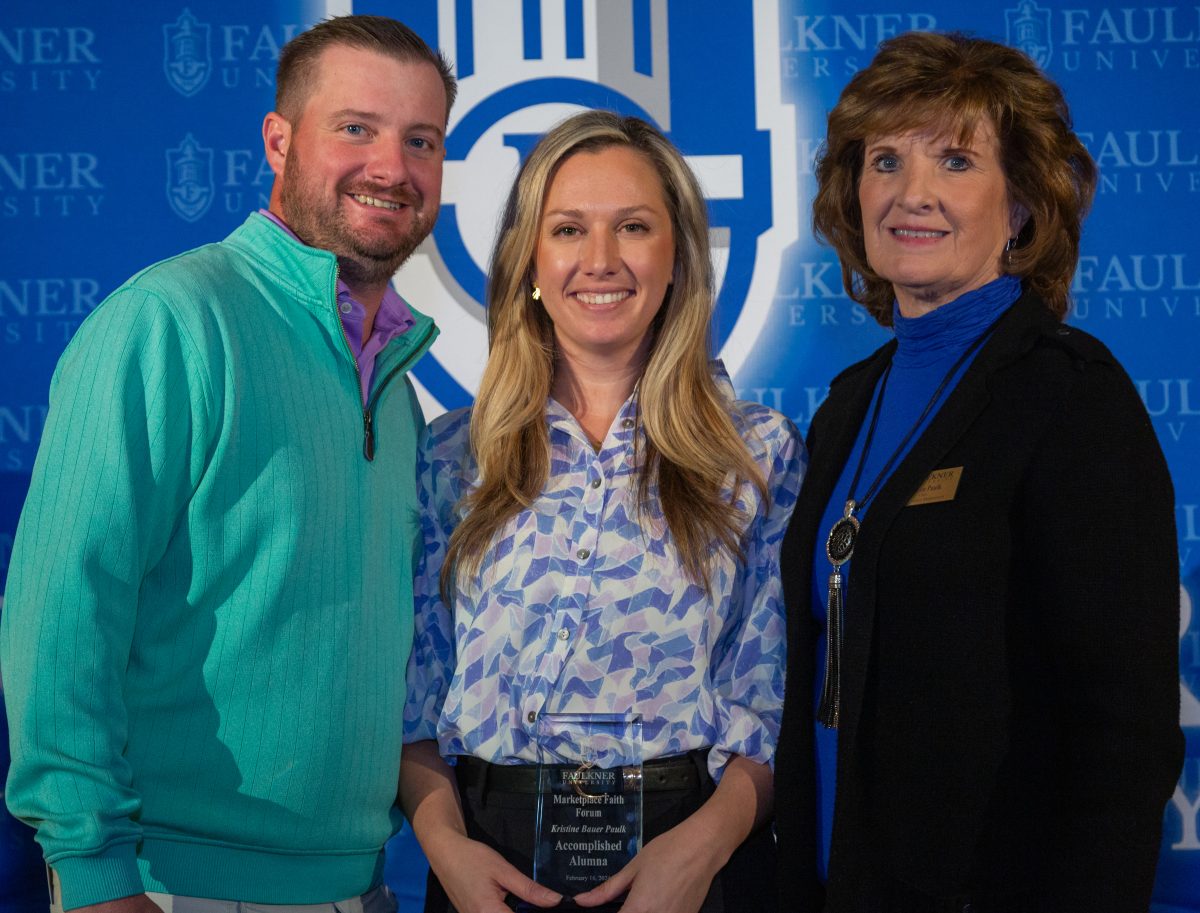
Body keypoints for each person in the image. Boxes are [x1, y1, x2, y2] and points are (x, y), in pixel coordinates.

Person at [1, 15, 456, 913]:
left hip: (358, 890)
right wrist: (93, 873)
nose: (392, 168)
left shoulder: (399, 391)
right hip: (168, 888)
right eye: (355, 129)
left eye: (421, 140)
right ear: (278, 142)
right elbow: (61, 615)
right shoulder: (169, 322)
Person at [773, 31, 1182, 913]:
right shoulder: (848, 403)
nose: (911, 194)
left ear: (1025, 205)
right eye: (885, 160)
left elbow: (1126, 735)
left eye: (955, 161)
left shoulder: (1071, 399)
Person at [399, 111, 803, 913]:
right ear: (531, 263)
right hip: (487, 865)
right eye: (569, 228)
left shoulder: (756, 452)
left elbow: (770, 694)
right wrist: (447, 850)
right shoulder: (450, 456)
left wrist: (703, 848)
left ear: (678, 257)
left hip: (688, 863)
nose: (601, 259)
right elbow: (414, 691)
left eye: (634, 227)